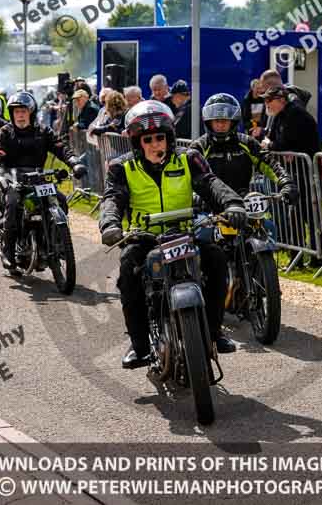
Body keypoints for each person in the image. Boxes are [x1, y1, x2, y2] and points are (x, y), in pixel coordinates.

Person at [99, 100, 246, 368]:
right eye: (148, 140)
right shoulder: (122, 167)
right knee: (128, 275)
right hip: (144, 238)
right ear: (137, 143)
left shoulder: (189, 157)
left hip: (187, 232)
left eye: (160, 138)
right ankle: (140, 346)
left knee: (217, 260)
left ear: (169, 137)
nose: (156, 145)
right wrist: (110, 224)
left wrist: (232, 204)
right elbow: (113, 198)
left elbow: (211, 183)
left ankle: (214, 333)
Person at [0, 91, 76, 275]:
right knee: (13, 205)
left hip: (38, 178)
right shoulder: (5, 132)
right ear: (11, 114)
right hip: (13, 178)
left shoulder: (43, 131)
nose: (20, 115)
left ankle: (58, 244)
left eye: (23, 111)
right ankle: (9, 252)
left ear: (31, 112)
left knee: (60, 199)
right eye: (16, 112)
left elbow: (61, 148)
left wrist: (75, 163)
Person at [191, 92, 297, 202]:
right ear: (209, 122)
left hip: (244, 202)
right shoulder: (199, 146)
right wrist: (194, 195)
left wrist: (286, 182)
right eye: (217, 121)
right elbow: (188, 174)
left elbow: (269, 163)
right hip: (210, 207)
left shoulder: (247, 142)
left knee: (267, 220)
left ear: (233, 122)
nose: (220, 125)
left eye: (225, 121)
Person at [260, 85, 322, 267]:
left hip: (305, 170)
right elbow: (274, 140)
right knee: (294, 213)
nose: (266, 104)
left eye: (268, 100)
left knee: (309, 214)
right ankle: (298, 257)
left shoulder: (295, 114)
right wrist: (274, 145)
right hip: (294, 171)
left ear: (281, 100)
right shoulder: (279, 116)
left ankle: (317, 256)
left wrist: (272, 145)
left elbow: (283, 142)